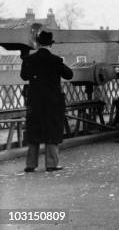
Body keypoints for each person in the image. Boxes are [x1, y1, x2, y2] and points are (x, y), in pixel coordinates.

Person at [20, 31, 73, 172]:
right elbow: (69, 75)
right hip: (52, 102)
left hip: (35, 101)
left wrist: (25, 60)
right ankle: (51, 164)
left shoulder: (30, 59)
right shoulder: (55, 60)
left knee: (34, 131)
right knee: (52, 130)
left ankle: (30, 164)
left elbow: (24, 76)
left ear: (37, 43)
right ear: (51, 44)